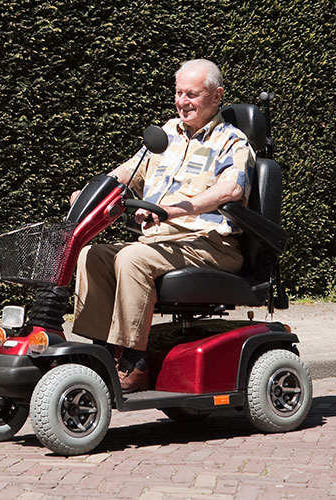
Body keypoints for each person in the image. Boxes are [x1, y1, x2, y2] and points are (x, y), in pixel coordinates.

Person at [69, 59, 255, 393]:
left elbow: (231, 189)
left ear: (217, 96)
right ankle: (100, 353)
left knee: (132, 259)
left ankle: (134, 362)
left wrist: (171, 211)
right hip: (161, 242)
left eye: (192, 94)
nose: (183, 101)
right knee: (92, 255)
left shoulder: (232, 141)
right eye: (178, 92)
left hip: (210, 244)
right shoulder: (166, 134)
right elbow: (127, 171)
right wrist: (91, 193)